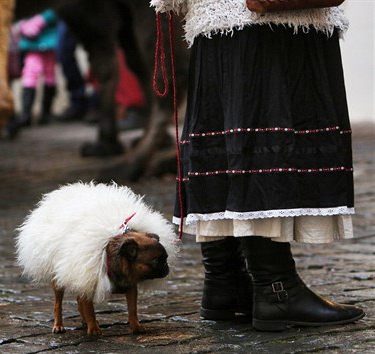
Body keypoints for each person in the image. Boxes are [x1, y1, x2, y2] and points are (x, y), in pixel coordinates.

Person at [150, 0, 364, 331]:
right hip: (263, 29)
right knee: (261, 143)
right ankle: (276, 289)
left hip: (219, 26)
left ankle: (226, 284)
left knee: (230, 144)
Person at [15, 9, 59, 128]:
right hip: (32, 44)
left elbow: (57, 10)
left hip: (49, 42)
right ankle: (26, 115)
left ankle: (46, 113)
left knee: (50, 76)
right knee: (29, 75)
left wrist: (42, 19)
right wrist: (23, 25)